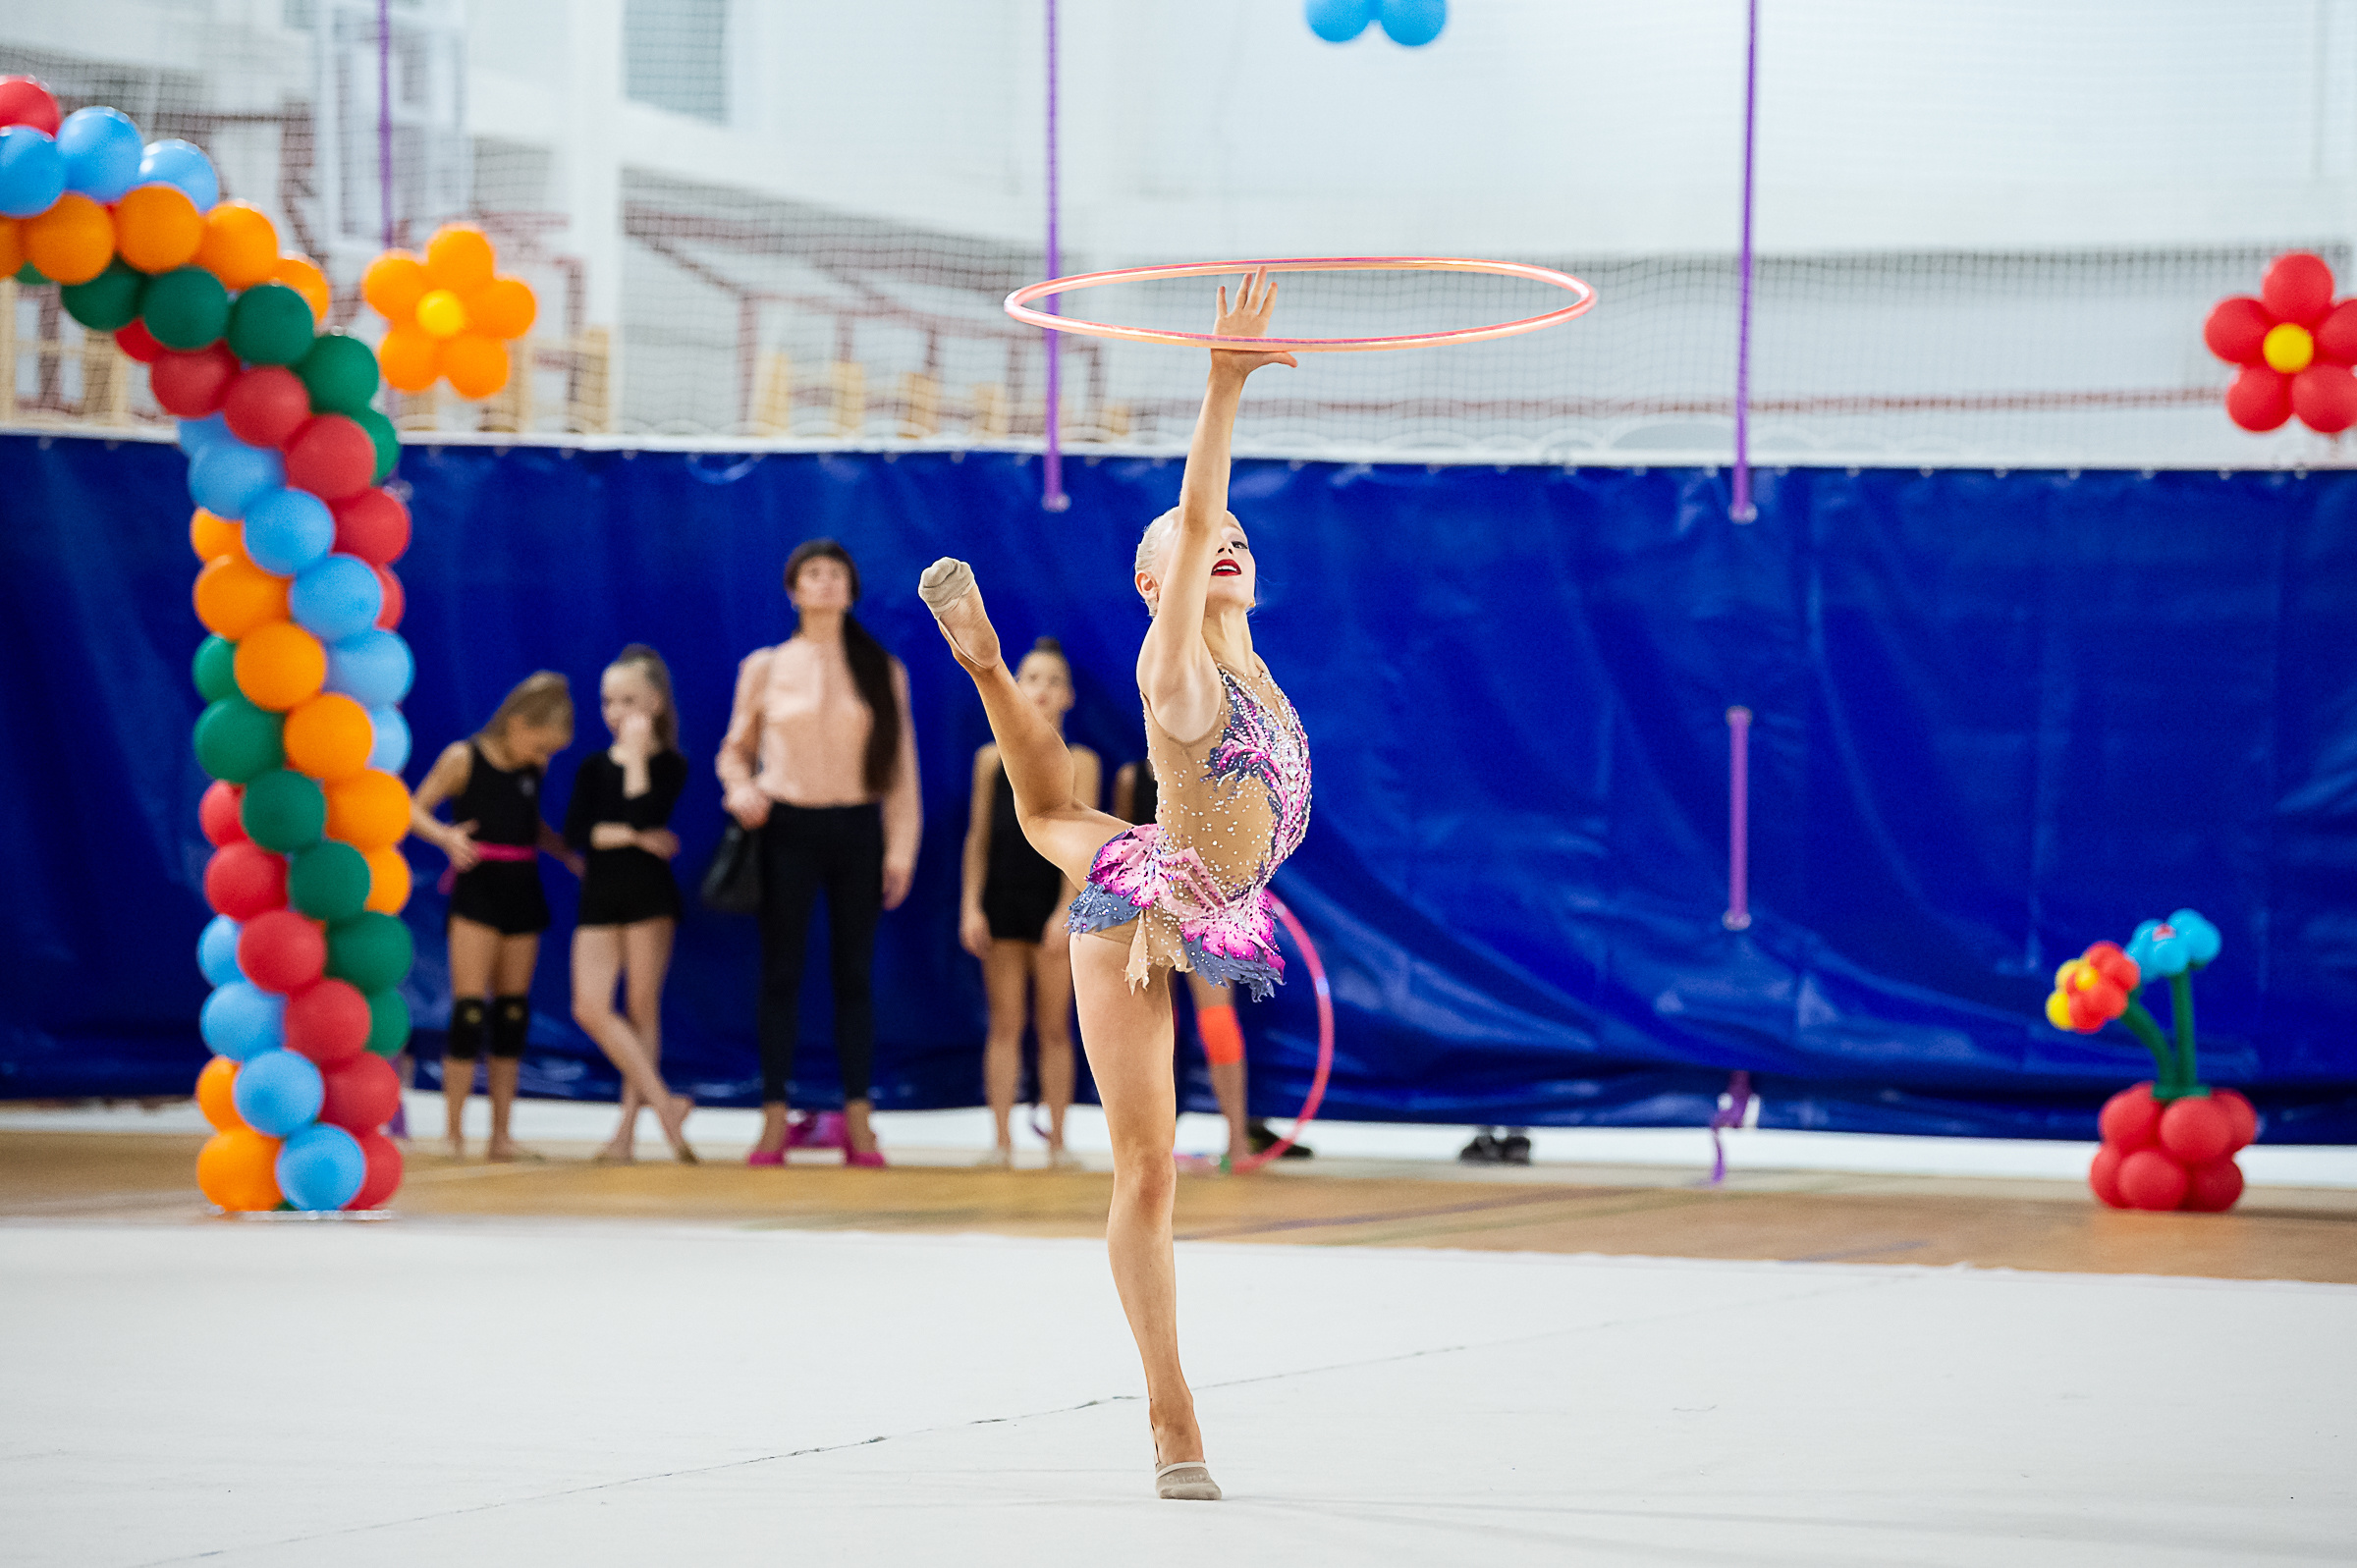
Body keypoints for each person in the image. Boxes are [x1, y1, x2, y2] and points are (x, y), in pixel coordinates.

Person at [918, 270, 1309, 1501]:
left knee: (1054, 814)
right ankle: (1169, 1408)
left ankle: (988, 669)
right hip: (1140, 915)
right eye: (1194, 544)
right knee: (1150, 1168)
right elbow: (1195, 518)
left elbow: (1208, 526)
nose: (1221, 541)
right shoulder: (1174, 668)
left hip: (1184, 867)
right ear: (1154, 587)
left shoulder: (1260, 673)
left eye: (1242, 539)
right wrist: (1222, 386)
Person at [718, 538, 920, 1167]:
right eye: (813, 573)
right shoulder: (765, 666)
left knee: (854, 976)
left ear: (851, 590)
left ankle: (859, 1121)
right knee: (780, 973)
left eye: (836, 573)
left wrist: (900, 849)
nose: (826, 582)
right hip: (786, 829)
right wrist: (740, 788)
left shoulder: (881, 668)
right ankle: (773, 1118)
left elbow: (901, 768)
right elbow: (734, 751)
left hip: (858, 830)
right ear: (793, 590)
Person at [408, 673, 582, 1161]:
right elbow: (413, 809)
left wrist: (565, 853)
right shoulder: (464, 757)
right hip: (478, 890)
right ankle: (453, 1132)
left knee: (511, 1014)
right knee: (469, 1012)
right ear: (518, 723)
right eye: (541, 748)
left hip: (521, 889)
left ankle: (501, 1134)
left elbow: (527, 822)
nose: (543, 760)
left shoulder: (531, 768)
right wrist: (446, 837)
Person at [1113, 757, 1312, 1170]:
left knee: (1218, 1022)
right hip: (1152, 911)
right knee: (1152, 1028)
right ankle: (1150, 1147)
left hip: (1204, 908)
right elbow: (1123, 851)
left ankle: (1237, 1142)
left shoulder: (1212, 774)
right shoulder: (1132, 778)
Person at [962, 637, 1096, 1169]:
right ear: (1016, 687)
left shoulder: (1080, 762)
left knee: (1055, 1026)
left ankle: (1058, 1142)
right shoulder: (989, 760)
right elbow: (979, 839)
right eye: (1032, 678)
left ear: (1069, 696)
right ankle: (1000, 1140)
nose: (1041, 690)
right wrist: (970, 906)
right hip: (1002, 901)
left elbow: (1086, 846)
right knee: (1005, 1022)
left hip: (1052, 907)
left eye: (1054, 681)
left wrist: (1068, 910)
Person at [565, 645, 698, 1164]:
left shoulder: (669, 765)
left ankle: (625, 1132)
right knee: (590, 1007)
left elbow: (645, 814)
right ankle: (666, 1105)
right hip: (600, 894)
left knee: (642, 1008)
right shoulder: (592, 767)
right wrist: (636, 837)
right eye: (608, 702)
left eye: (628, 701)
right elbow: (579, 833)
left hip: (648, 896)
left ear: (655, 704)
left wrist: (638, 758)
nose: (616, 712)